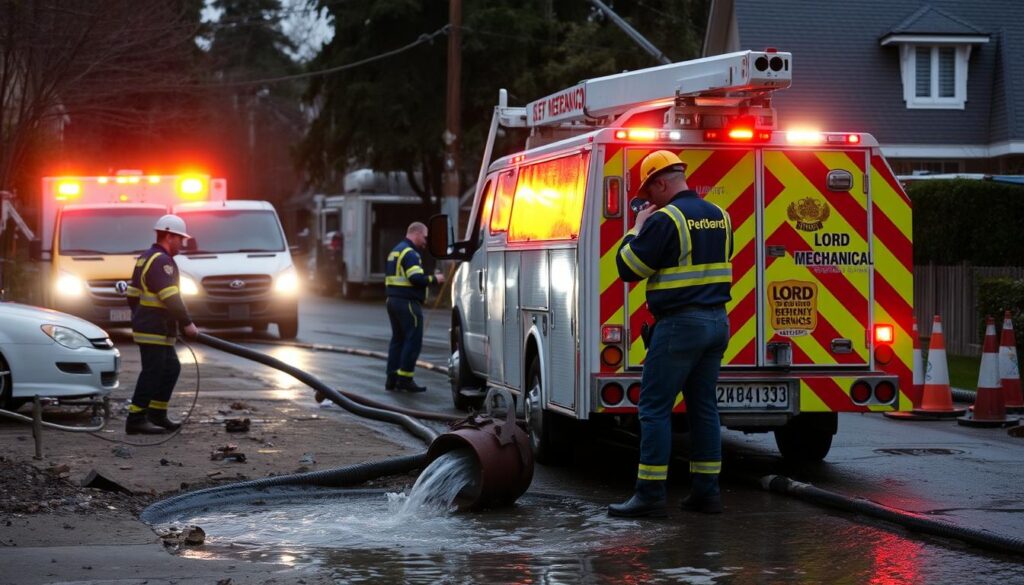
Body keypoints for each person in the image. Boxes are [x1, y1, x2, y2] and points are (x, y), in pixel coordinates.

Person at [608, 150, 734, 518]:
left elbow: (628, 269)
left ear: (662, 183)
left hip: (680, 325)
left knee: (654, 409)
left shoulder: (666, 219)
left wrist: (636, 229)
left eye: (649, 193)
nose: (648, 201)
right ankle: (707, 493)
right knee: (704, 409)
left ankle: (648, 495)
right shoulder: (720, 216)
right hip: (717, 323)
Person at [123, 214, 199, 434]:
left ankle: (156, 413)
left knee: (170, 368)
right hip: (154, 328)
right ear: (169, 235)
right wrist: (187, 323)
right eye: (180, 239)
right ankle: (136, 418)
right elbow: (171, 297)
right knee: (153, 371)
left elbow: (132, 295)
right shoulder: (162, 261)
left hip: (155, 327)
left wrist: (140, 315)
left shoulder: (145, 258)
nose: (182, 244)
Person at [384, 222, 445, 392]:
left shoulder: (396, 250)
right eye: (425, 237)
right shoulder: (410, 254)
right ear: (416, 233)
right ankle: (405, 379)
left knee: (398, 340)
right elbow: (416, 278)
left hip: (393, 301)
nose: (426, 241)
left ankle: (392, 378)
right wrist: (435, 279)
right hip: (408, 303)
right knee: (413, 341)